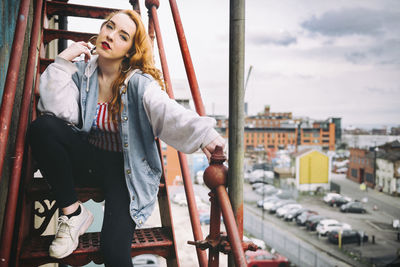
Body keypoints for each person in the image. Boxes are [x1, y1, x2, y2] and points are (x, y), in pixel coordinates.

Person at [29, 9, 224, 266]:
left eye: (122, 36)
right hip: (90, 159)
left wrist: (204, 134)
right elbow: (54, 109)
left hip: (125, 172)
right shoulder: (81, 73)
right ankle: (72, 211)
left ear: (130, 50)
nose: (110, 36)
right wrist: (64, 60)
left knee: (114, 253)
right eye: (109, 27)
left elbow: (167, 111)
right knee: (42, 127)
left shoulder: (139, 84)